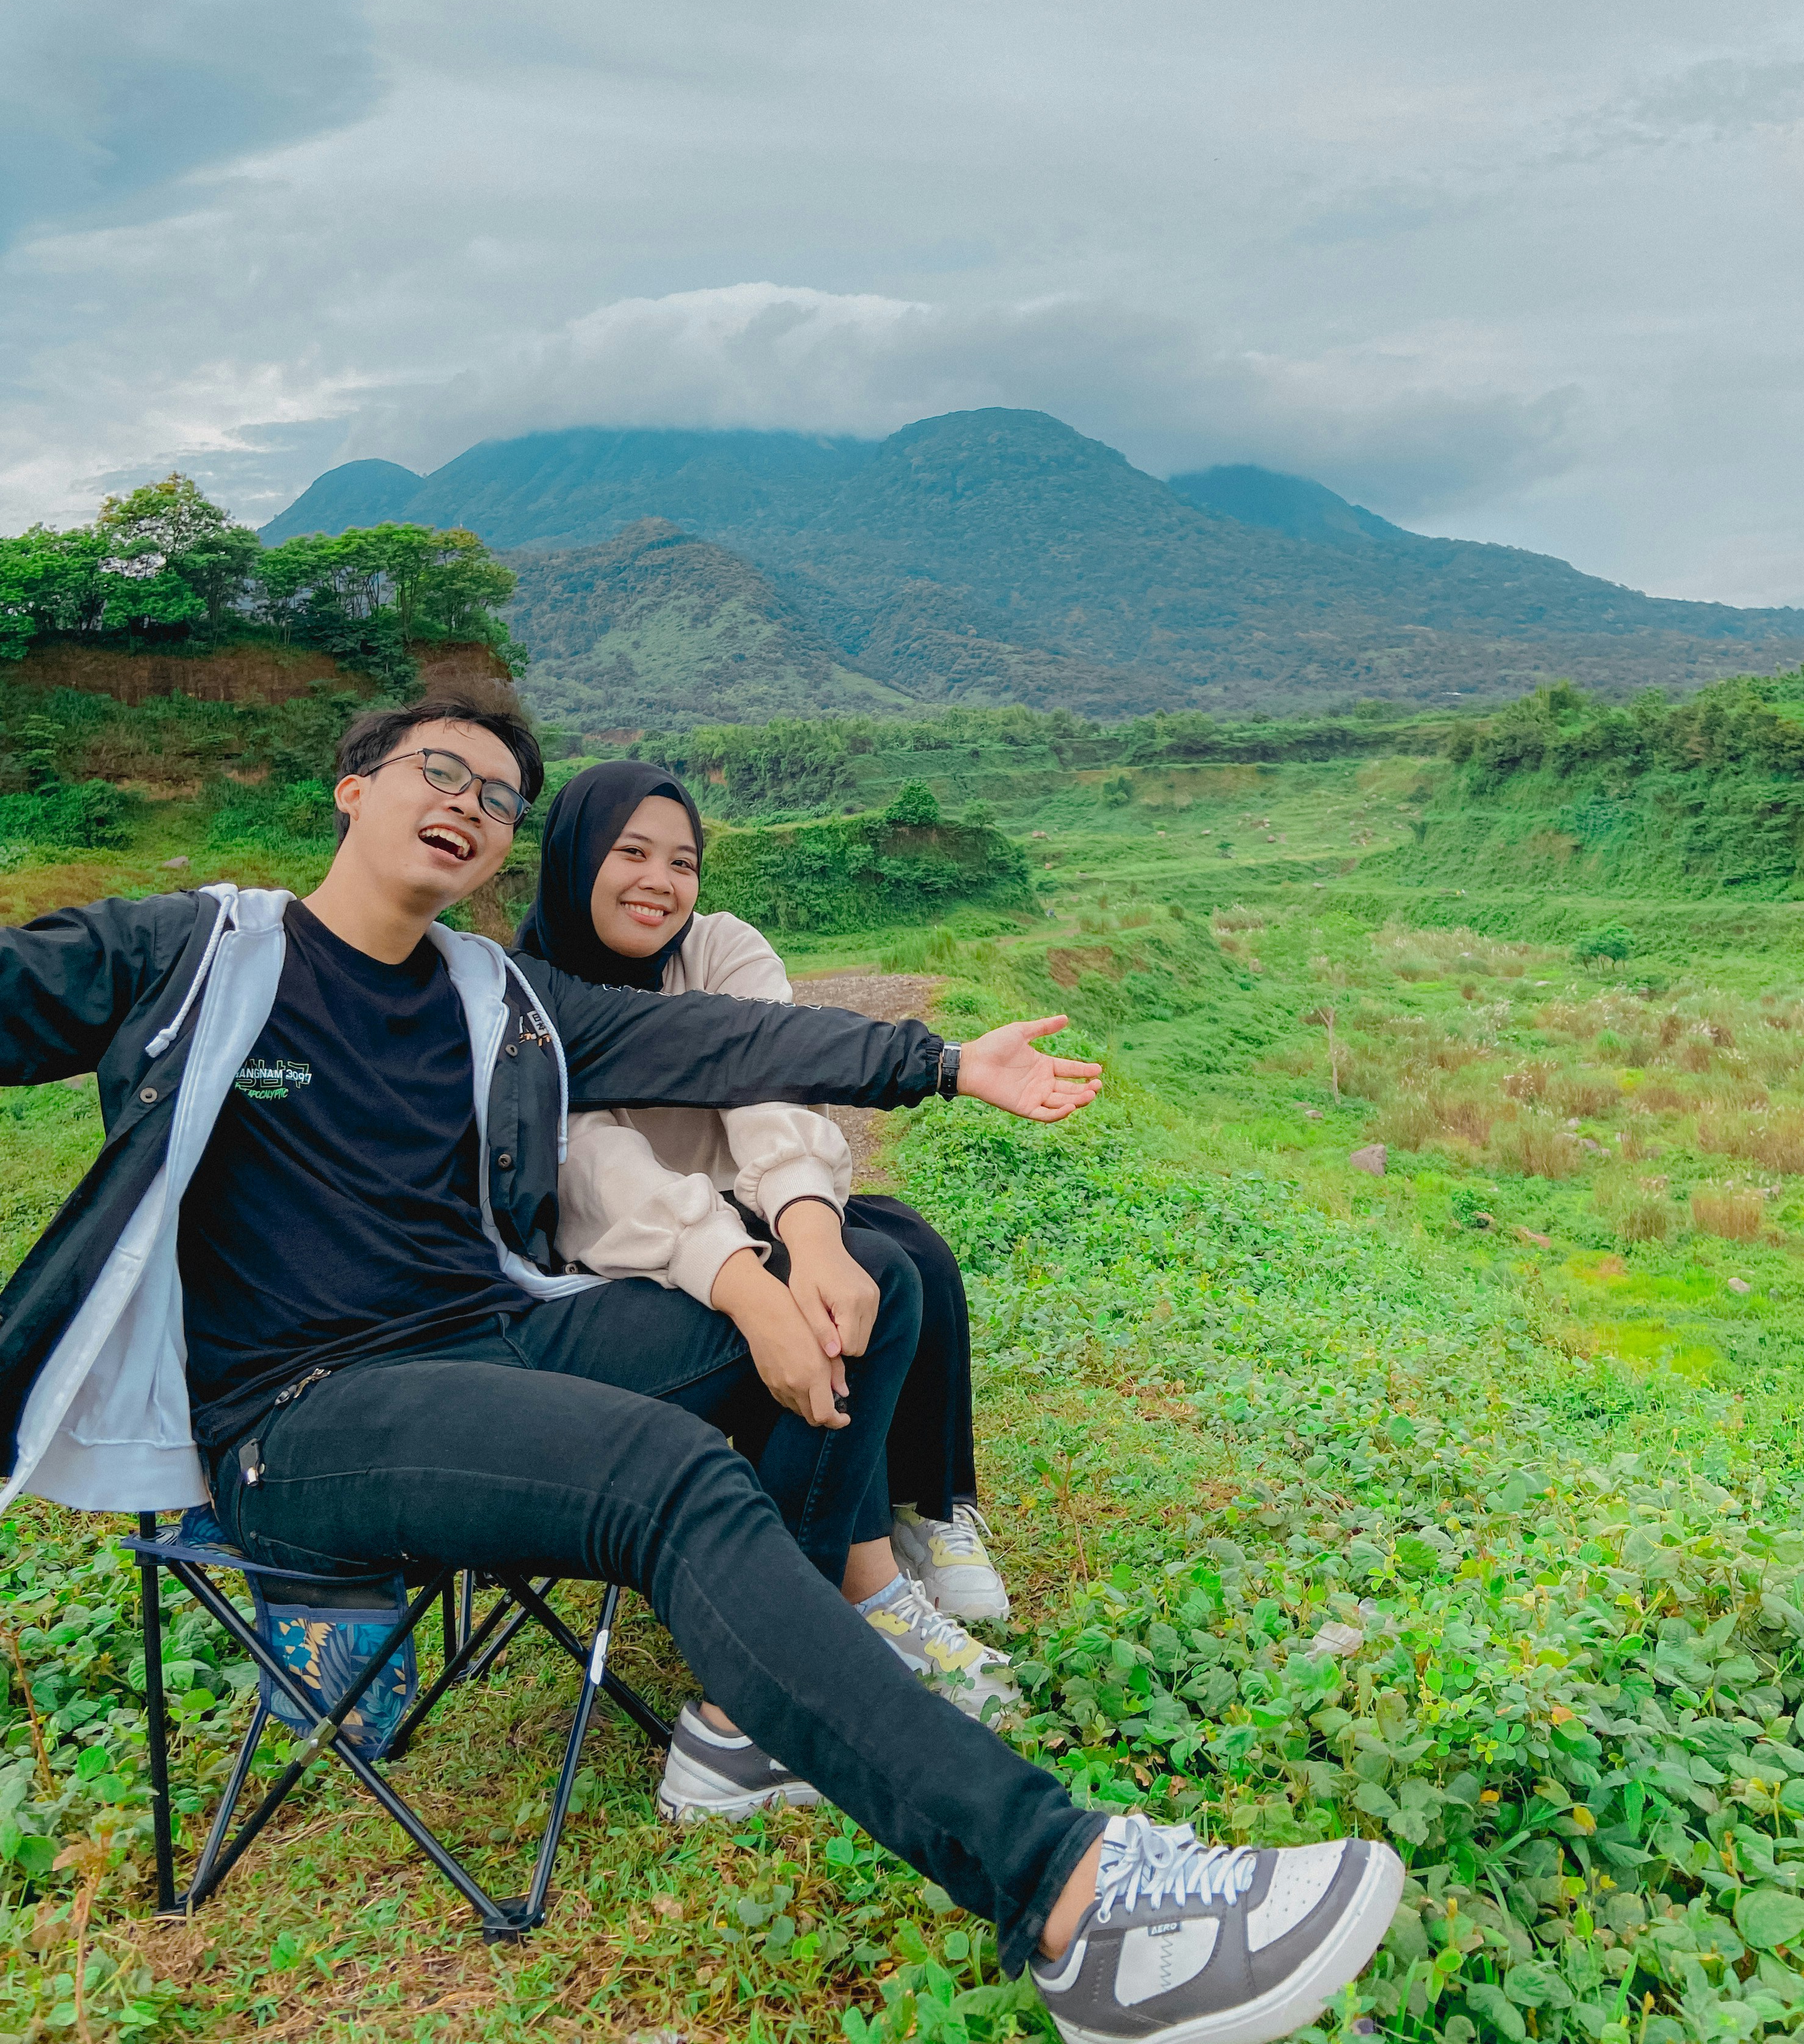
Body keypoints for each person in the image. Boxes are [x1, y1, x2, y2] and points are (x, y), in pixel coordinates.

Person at [0, 697, 1403, 2044]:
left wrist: (940, 1062)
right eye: (441, 773)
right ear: (354, 788)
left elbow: (732, 1039)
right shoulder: (192, 952)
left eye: (498, 799)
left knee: (860, 1289)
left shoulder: (503, 997)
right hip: (301, 1417)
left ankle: (745, 1726)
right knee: (660, 1474)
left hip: (489, 1340)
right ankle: (1078, 1903)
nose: (469, 808)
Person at [513, 758, 1012, 1722]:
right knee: (871, 1276)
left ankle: (927, 1513)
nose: (661, 882)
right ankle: (858, 1594)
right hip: (620, 1256)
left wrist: (808, 1231)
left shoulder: (721, 946)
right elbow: (598, 1174)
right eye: (631, 854)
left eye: (684, 862)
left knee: (909, 1245)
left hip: (741, 1209)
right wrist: (750, 1272)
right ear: (574, 858)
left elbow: (768, 1073)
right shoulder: (530, 1002)